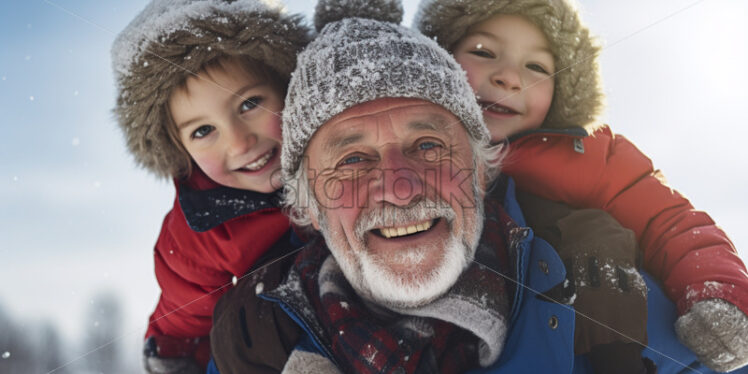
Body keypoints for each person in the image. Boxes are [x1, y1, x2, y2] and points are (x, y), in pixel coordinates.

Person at [210, 0, 748, 372]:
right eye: (352, 159)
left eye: (428, 146)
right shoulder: (253, 346)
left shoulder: (628, 311)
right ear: (306, 204)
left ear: (484, 165)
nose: (399, 189)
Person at [414, 0, 748, 371]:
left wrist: (716, 290)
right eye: (484, 52)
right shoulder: (398, 151)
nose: (509, 77)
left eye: (536, 67)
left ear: (564, 90)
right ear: (437, 57)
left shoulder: (589, 155)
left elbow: (670, 222)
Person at [110, 0, 310, 371]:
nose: (238, 143)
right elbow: (181, 321)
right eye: (203, 131)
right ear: (181, 152)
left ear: (289, 89)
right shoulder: (199, 235)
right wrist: (175, 360)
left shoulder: (345, 152)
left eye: (250, 104)